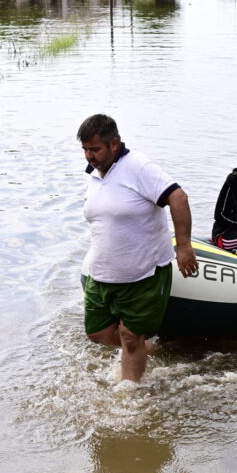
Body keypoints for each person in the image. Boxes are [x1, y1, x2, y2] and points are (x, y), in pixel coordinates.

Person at [79, 114, 197, 382]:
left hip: (143, 273)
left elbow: (178, 197)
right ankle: (145, 349)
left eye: (94, 149)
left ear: (115, 144)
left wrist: (184, 247)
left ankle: (130, 398)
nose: (89, 156)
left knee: (130, 337)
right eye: (85, 149)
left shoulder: (138, 167)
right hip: (103, 274)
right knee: (96, 332)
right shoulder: (96, 174)